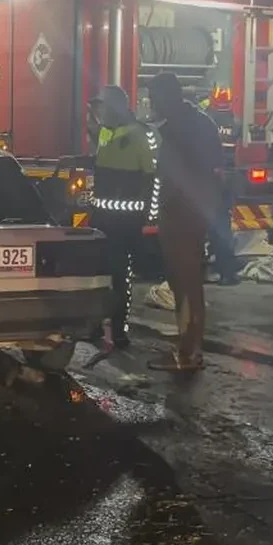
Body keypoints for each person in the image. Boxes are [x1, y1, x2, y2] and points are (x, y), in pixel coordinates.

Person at [147, 73, 224, 371]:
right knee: (183, 282)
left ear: (168, 96)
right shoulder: (194, 123)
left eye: (155, 98)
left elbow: (183, 174)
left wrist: (173, 203)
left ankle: (189, 352)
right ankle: (186, 347)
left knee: (186, 281)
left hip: (183, 213)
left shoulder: (185, 127)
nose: (153, 105)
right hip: (186, 211)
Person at [87, 85, 157, 351]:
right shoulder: (108, 131)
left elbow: (151, 179)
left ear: (116, 107)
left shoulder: (141, 135)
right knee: (98, 274)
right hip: (102, 218)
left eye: (103, 107)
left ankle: (118, 330)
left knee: (119, 275)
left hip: (124, 221)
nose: (99, 113)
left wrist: (148, 217)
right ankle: (94, 326)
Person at [201, 88, 240, 286]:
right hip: (228, 178)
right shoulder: (235, 122)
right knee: (222, 224)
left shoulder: (208, 120)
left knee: (206, 224)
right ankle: (227, 272)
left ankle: (209, 269)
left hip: (210, 178)